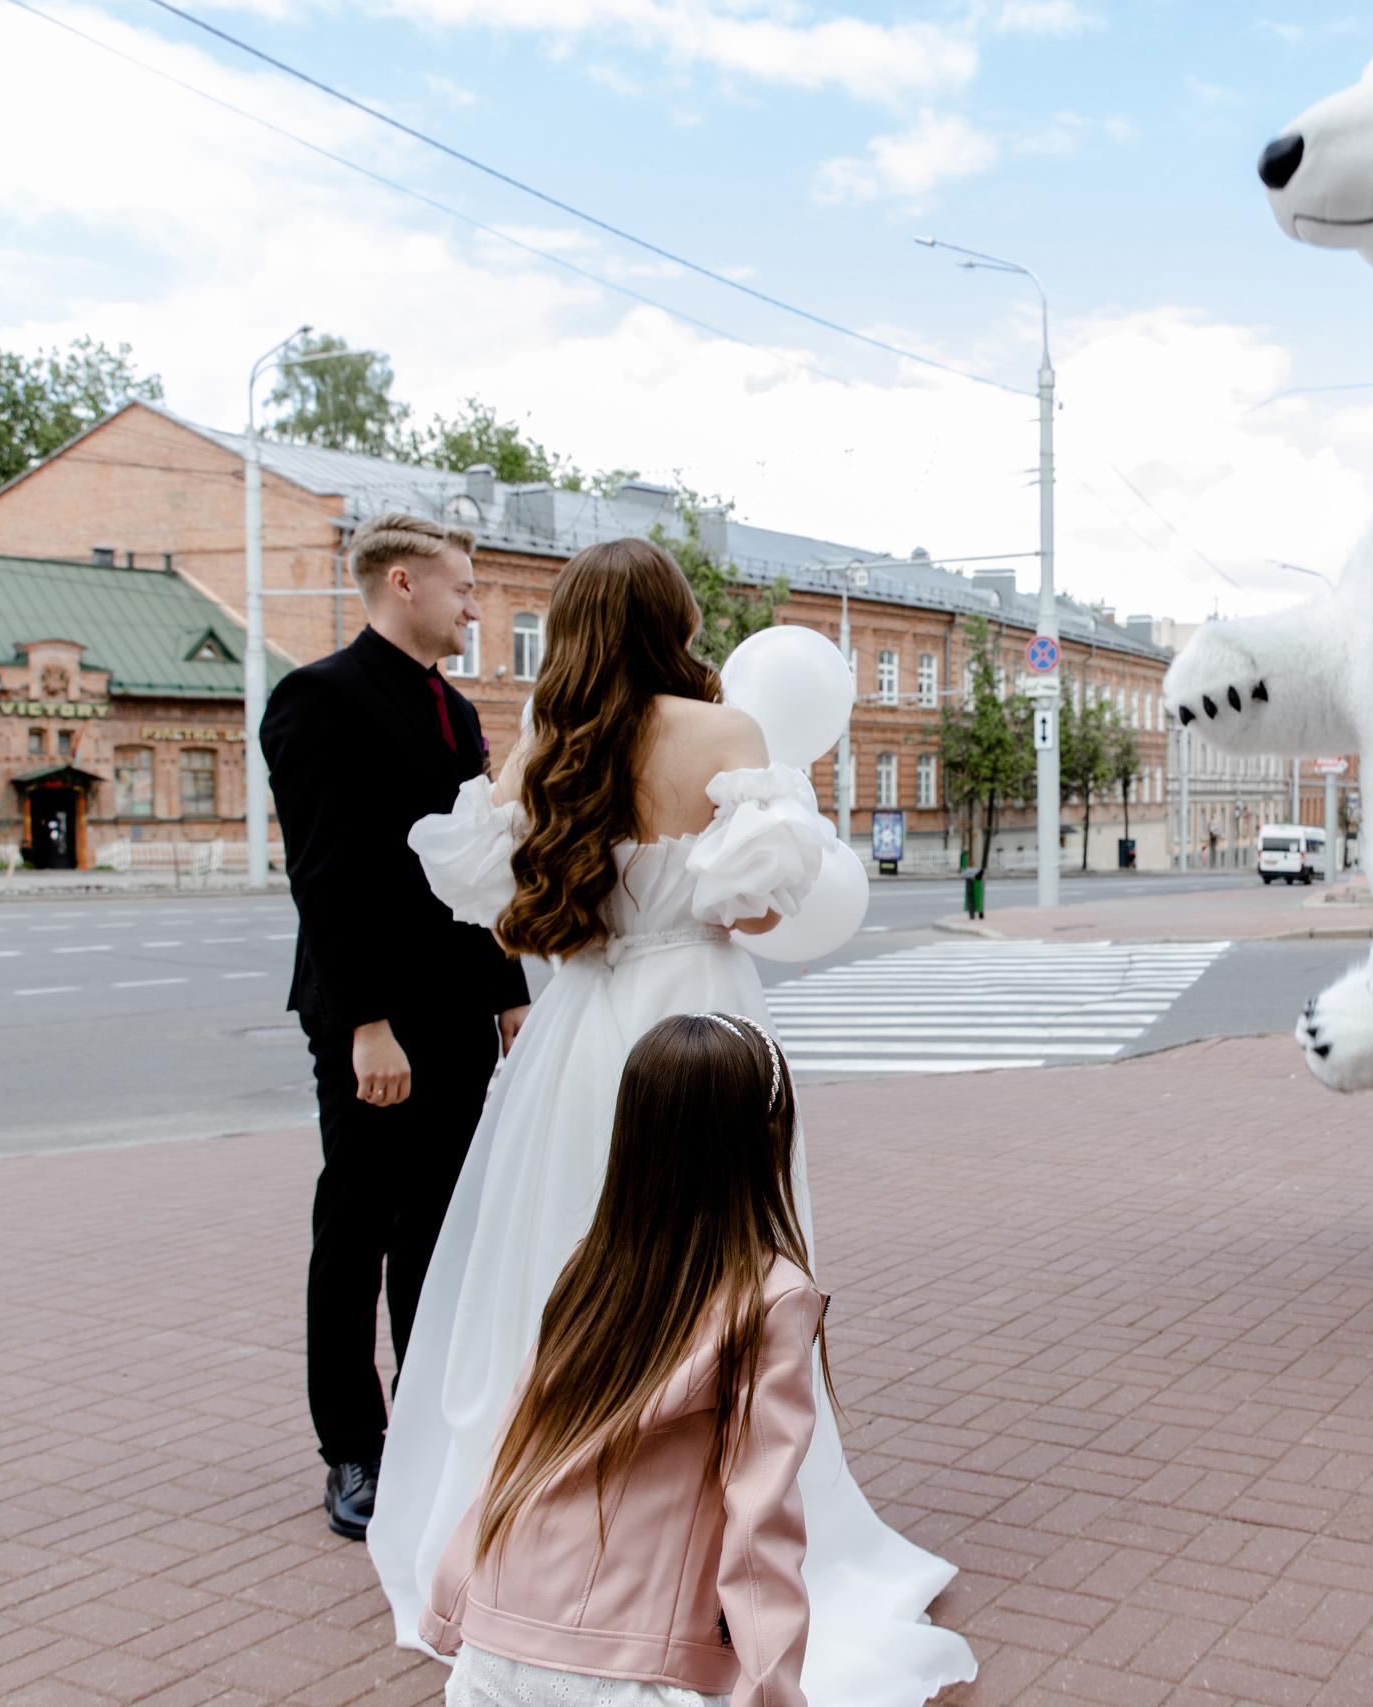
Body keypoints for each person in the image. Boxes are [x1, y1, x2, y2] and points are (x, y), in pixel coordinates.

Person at [372, 537, 975, 1705]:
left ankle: (540, 1538)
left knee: (555, 1275)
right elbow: (754, 912)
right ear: (674, 621)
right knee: (726, 1274)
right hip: (696, 1021)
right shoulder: (726, 737)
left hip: (577, 1035)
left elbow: (505, 920)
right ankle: (724, 1529)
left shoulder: (548, 747)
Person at [423, 1012, 822, 1707]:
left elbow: (517, 1441)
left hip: (493, 1650)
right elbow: (761, 1524)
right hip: (633, 1669)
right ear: (767, 1139)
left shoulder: (592, 1266)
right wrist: (772, 1695)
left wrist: (452, 1597)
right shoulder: (771, 1297)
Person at [263, 511, 531, 1543]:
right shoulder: (316, 699)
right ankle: (353, 1448)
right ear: (405, 583)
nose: (476, 607)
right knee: (359, 1230)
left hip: (457, 1010)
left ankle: (425, 1429)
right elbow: (324, 877)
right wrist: (366, 1024)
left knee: (436, 1230)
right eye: (466, 589)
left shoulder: (455, 713)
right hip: (371, 1017)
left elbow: (471, 872)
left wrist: (507, 992)